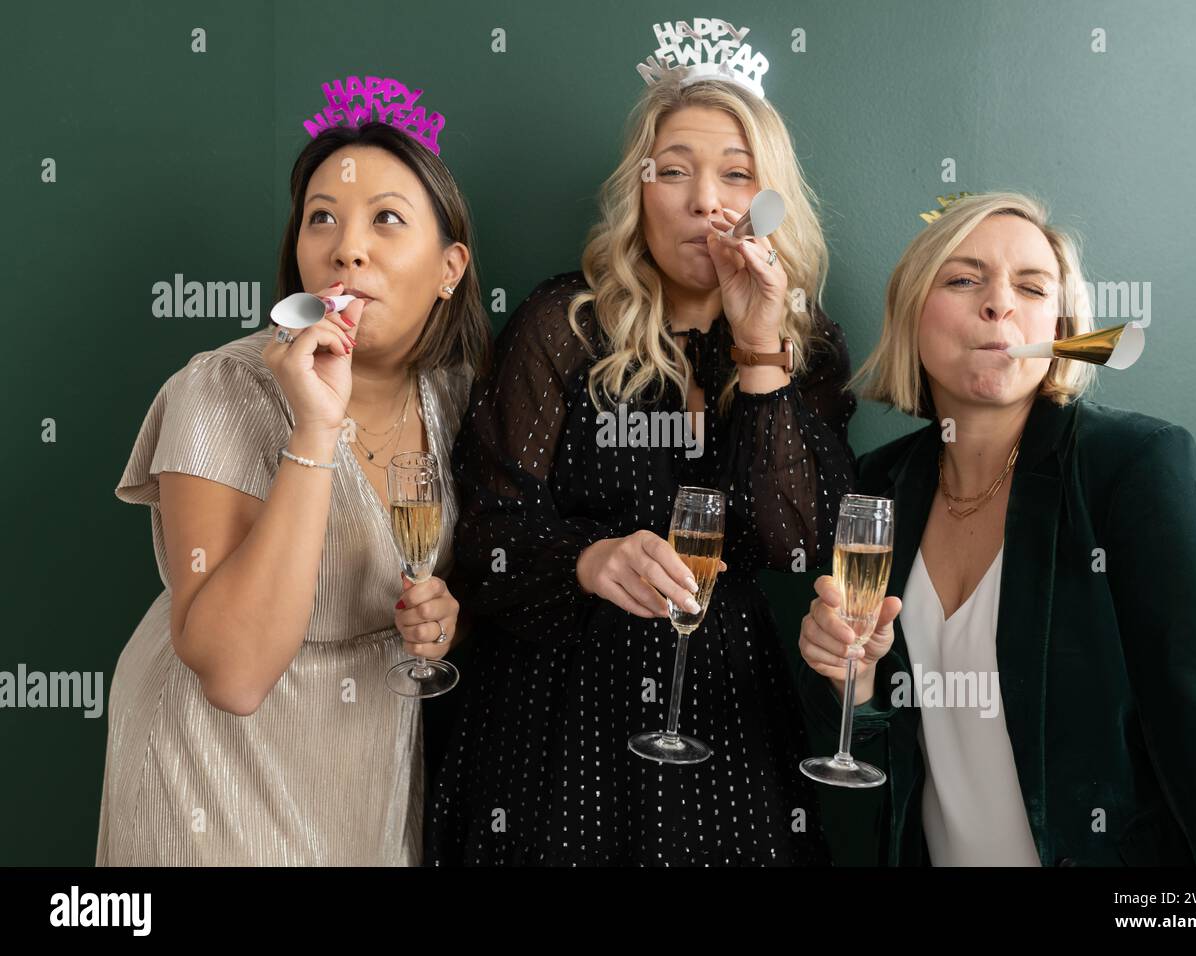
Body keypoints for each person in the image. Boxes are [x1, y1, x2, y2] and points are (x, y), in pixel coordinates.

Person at [425, 67, 856, 865]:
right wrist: (587, 560)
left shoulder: (808, 346)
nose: (705, 202)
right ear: (639, 192)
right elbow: (483, 538)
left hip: (726, 714)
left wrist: (759, 348)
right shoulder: (563, 324)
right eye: (674, 171)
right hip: (557, 708)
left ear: (770, 200)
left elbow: (797, 542)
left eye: (736, 174)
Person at [796, 190, 1196, 866]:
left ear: (1061, 329)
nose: (999, 304)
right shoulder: (879, 484)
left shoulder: (1131, 467)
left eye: (1031, 287)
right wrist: (850, 684)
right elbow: (887, 731)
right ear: (913, 311)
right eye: (964, 279)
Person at [97, 118, 491, 865]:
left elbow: (443, 588)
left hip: (364, 761)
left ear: (450, 268)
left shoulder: (457, 397)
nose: (347, 248)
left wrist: (447, 620)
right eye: (322, 219)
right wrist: (314, 430)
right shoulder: (220, 389)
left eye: (386, 218)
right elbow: (234, 677)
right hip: (213, 771)